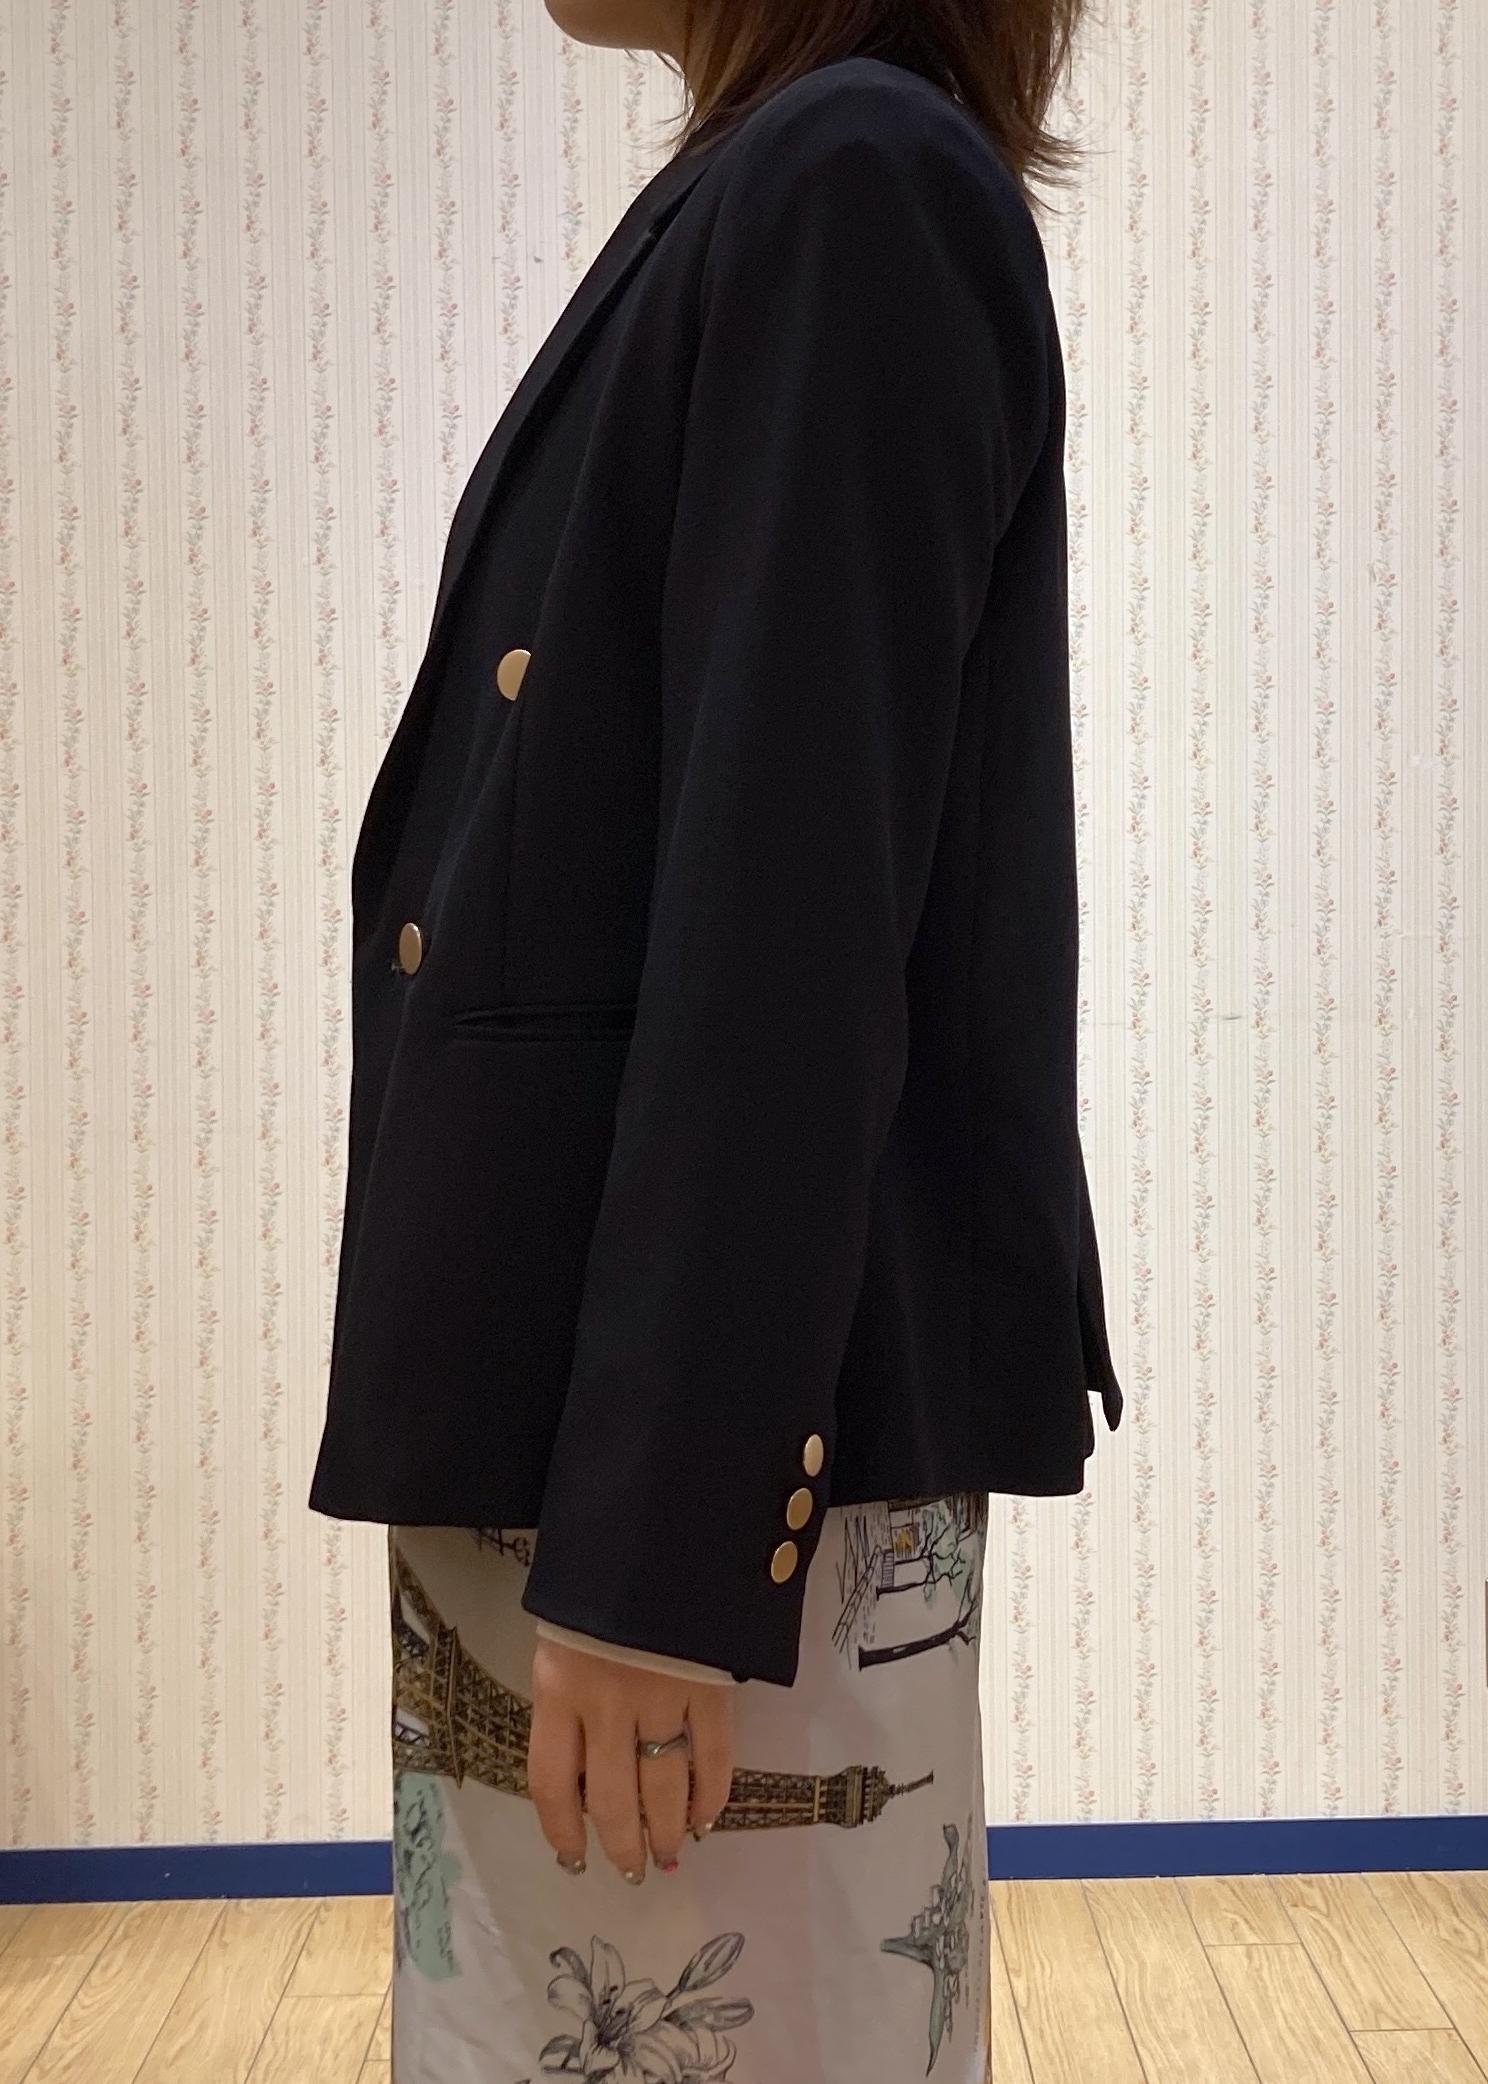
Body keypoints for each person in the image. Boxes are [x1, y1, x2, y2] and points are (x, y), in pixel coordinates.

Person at [308, 2, 1124, 2077]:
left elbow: (791, 924)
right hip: (602, 1455)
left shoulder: (854, 184)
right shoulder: (789, 178)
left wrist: (666, 1556)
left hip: (690, 1505)